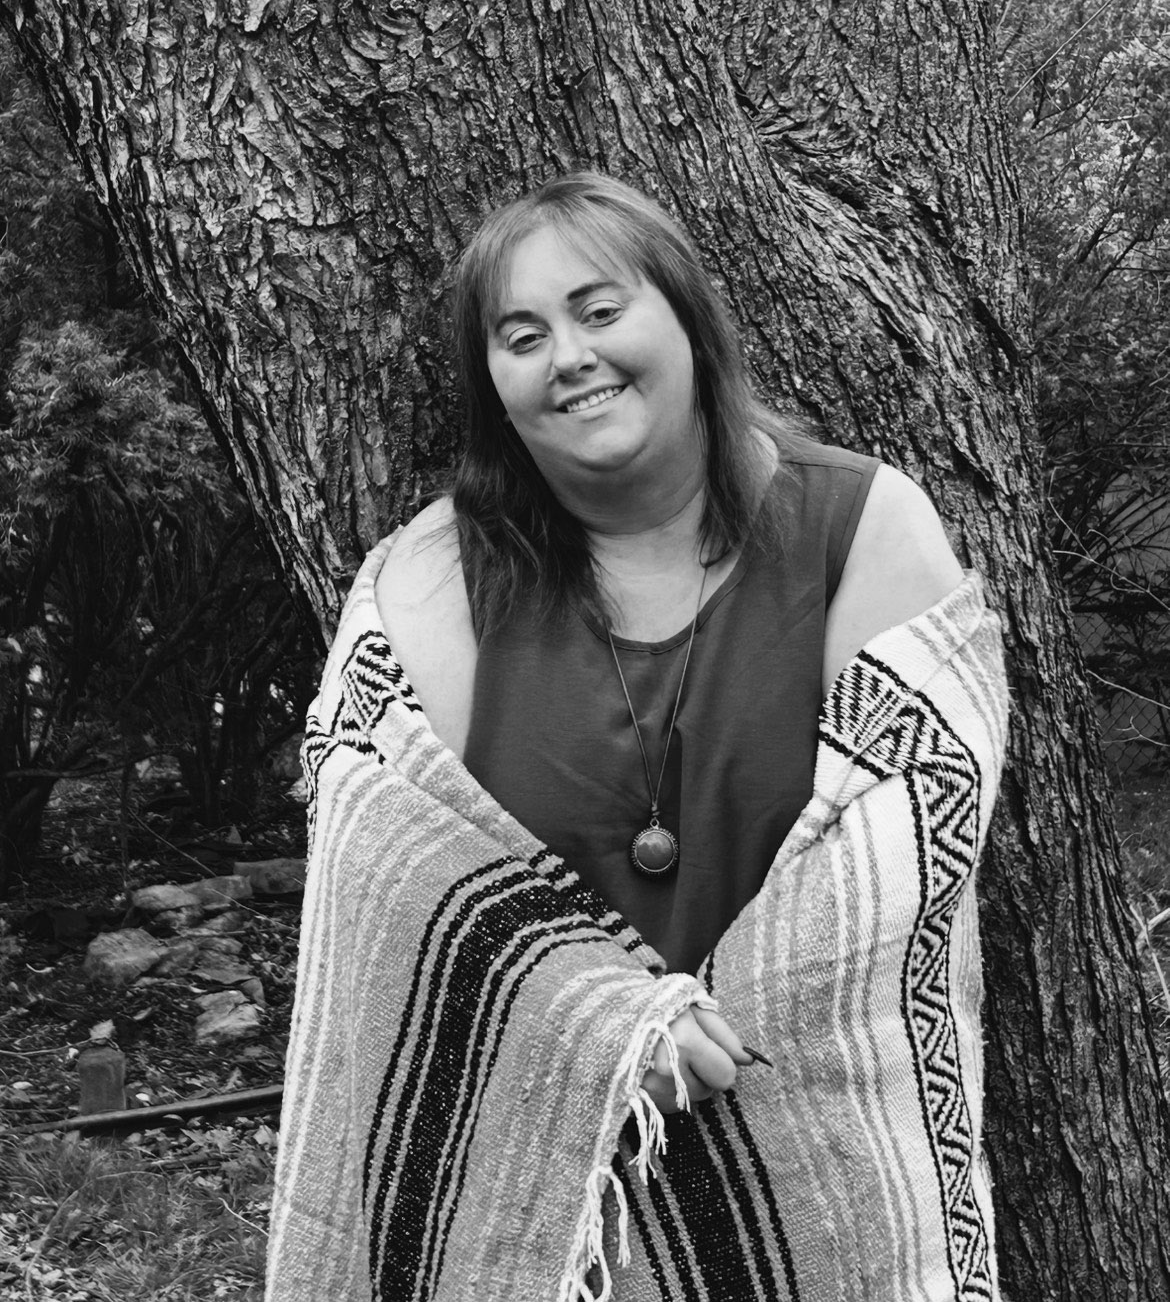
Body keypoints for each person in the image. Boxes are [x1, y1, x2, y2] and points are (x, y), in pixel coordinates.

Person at [266, 172, 1008, 1302]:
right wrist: (609, 1033)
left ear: (688, 318)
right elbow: (386, 884)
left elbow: (898, 870)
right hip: (528, 1209)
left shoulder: (862, 528)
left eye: (600, 310)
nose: (569, 356)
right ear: (493, 386)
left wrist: (702, 1042)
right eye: (522, 337)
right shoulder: (433, 577)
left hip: (827, 1195)